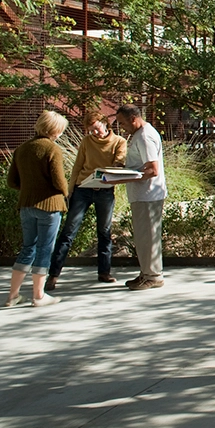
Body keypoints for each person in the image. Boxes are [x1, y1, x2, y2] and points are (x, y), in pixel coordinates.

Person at [46, 110, 127, 291]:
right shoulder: (86, 141)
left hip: (105, 190)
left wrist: (114, 169)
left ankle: (104, 272)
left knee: (104, 231)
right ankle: (53, 275)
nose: (95, 133)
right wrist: (70, 189)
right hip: (83, 188)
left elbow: (120, 162)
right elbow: (78, 166)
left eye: (97, 128)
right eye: (91, 130)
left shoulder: (119, 141)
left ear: (105, 123)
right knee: (69, 231)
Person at [3, 109, 70, 308]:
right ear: (55, 130)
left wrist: (29, 188)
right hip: (49, 206)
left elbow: (12, 181)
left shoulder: (21, 149)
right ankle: (38, 296)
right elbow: (59, 182)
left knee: (27, 248)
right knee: (44, 249)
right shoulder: (52, 149)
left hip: (26, 205)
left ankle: (13, 295)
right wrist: (66, 193)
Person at [116, 104, 167, 291]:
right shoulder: (139, 134)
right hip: (142, 195)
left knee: (148, 236)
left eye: (122, 123)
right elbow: (141, 165)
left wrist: (122, 177)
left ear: (133, 119)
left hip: (148, 195)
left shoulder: (145, 136)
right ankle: (146, 272)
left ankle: (153, 276)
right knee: (142, 236)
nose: (122, 128)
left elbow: (153, 169)